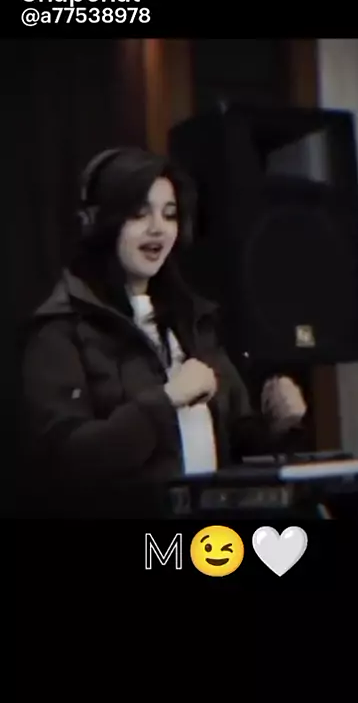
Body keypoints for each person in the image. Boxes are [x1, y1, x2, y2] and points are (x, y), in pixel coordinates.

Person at [21, 147, 309, 517]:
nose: (158, 227)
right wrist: (167, 399)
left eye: (169, 214)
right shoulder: (59, 330)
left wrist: (281, 426)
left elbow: (237, 444)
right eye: (139, 213)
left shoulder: (193, 321)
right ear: (98, 222)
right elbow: (68, 462)